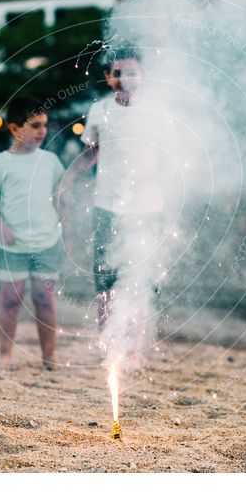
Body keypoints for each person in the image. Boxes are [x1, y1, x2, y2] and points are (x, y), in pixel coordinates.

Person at [63, 51, 169, 366]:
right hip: (106, 207)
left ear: (143, 75)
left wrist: (151, 181)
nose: (126, 78)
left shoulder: (157, 111)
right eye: (119, 72)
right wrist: (68, 178)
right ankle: (108, 347)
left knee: (140, 281)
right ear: (109, 77)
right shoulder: (99, 111)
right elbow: (90, 154)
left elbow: (169, 159)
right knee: (105, 282)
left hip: (147, 209)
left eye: (133, 72)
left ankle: (135, 352)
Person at [0, 96, 65, 370]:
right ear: (15, 129)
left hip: (46, 242)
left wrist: (68, 231)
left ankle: (49, 356)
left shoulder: (51, 161)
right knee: (11, 299)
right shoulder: (0, 164)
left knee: (44, 299)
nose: (42, 131)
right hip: (12, 245)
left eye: (44, 125)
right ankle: (5, 355)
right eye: (35, 125)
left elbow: (61, 198)